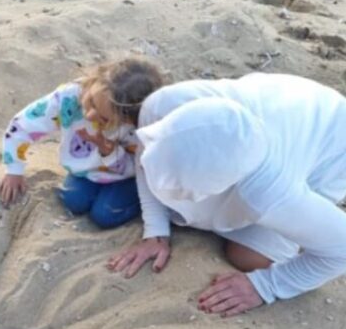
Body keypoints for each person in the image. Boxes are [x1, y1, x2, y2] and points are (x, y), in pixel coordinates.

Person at [108, 72, 346, 315]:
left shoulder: (270, 192)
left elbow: (340, 249)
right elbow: (147, 159)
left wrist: (265, 286)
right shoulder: (162, 105)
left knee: (249, 258)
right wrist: (156, 231)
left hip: (331, 146)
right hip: (286, 97)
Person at [0, 58, 165, 228]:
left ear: (129, 120)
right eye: (91, 101)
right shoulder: (70, 97)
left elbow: (142, 165)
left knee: (105, 215)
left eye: (104, 118)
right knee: (74, 201)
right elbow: (22, 126)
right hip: (85, 171)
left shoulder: (139, 127)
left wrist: (110, 153)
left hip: (126, 176)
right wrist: (14, 170)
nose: (89, 115)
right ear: (93, 82)